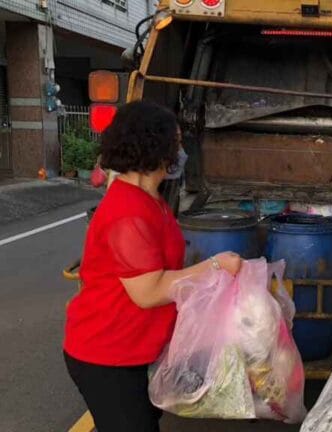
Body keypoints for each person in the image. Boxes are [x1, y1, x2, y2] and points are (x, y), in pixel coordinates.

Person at [63, 101, 242, 432]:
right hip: (107, 355)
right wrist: (214, 266)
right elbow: (149, 291)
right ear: (154, 147)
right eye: (175, 143)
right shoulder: (127, 211)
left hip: (134, 349)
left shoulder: (151, 200)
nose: (181, 151)